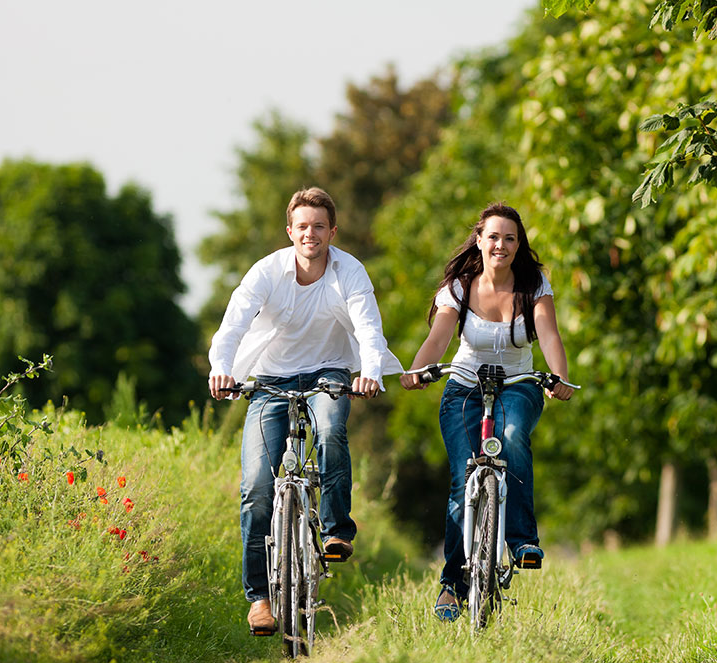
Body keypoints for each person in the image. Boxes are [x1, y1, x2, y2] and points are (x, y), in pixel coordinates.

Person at [208, 186, 403, 636]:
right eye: (302, 226)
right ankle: (259, 598)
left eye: (319, 226)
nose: (310, 234)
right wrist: (221, 369)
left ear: (332, 231)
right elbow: (233, 324)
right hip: (270, 380)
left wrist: (369, 372)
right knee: (257, 485)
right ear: (289, 231)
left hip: (329, 373)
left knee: (332, 428)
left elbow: (368, 328)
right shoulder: (267, 272)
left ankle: (336, 531)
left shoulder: (349, 271)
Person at [400, 202, 574, 622]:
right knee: (464, 477)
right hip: (464, 387)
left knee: (512, 438)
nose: (501, 244)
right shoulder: (460, 286)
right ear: (479, 240)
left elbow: (548, 335)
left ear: (519, 244)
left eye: (510, 237)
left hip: (517, 386)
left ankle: (520, 541)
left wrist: (559, 377)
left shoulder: (534, 284)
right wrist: (418, 370)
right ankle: (451, 585)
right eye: (493, 236)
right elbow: (440, 337)